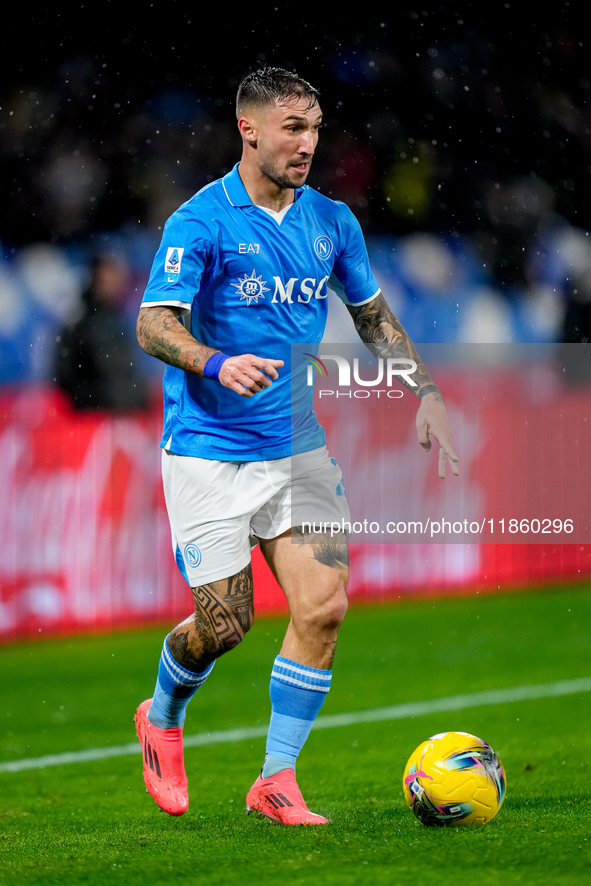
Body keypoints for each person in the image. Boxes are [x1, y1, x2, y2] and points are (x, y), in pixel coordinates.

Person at [134, 66, 459, 826]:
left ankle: (274, 779)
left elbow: (373, 317)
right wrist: (214, 361)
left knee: (323, 605)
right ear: (248, 129)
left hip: (295, 449)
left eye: (313, 127)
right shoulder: (201, 221)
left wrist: (427, 392)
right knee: (225, 625)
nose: (307, 143)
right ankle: (162, 713)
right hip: (208, 449)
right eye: (291, 128)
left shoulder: (331, 222)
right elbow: (152, 325)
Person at [55, 253, 150, 411]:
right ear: (95, 278)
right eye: (108, 277)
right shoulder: (79, 322)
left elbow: (129, 373)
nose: (114, 284)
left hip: (121, 415)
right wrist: (99, 402)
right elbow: (66, 376)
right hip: (93, 419)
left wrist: (136, 400)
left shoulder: (118, 320)